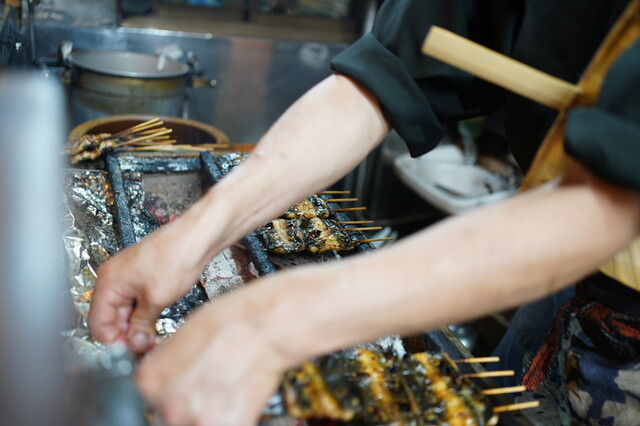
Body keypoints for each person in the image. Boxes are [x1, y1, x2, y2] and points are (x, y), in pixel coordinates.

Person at [88, 1, 640, 425]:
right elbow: (381, 77)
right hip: (561, 278)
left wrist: (272, 320)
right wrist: (197, 232)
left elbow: (608, 206)